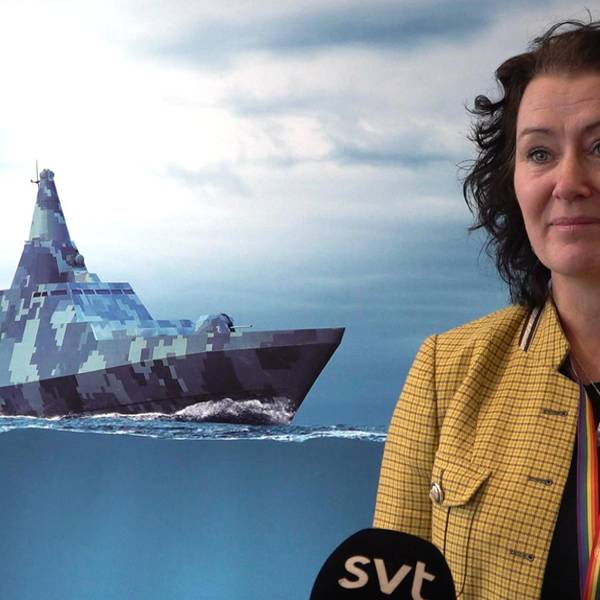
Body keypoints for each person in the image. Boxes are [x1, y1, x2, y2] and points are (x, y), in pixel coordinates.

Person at [373, 18, 600, 600]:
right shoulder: (446, 373)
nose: (569, 181)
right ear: (512, 182)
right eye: (540, 152)